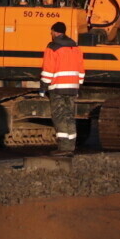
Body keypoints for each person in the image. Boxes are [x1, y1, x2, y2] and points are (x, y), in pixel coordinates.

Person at [41, 23, 86, 160]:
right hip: (72, 87)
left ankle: (64, 148)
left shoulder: (53, 47)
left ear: (55, 32)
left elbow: (48, 69)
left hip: (58, 87)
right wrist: (78, 83)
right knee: (69, 116)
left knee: (59, 116)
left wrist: (43, 87)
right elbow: (81, 68)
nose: (51, 34)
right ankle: (70, 147)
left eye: (51, 32)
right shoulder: (75, 48)